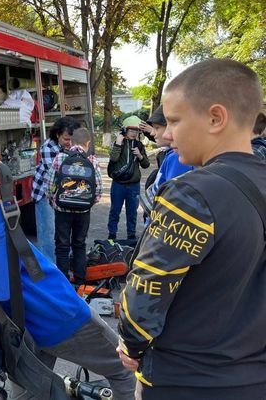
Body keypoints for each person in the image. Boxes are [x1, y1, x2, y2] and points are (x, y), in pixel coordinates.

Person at [0, 117, 136, 400]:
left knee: (34, 390)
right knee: (125, 370)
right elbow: (0, 284)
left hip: (27, 324)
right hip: (59, 313)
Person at [117, 59, 266, 400]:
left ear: (216, 118)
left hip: (187, 380)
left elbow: (146, 292)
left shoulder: (191, 193)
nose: (166, 134)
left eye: (174, 121)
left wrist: (131, 343)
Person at [48, 128, 102, 286]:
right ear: (88, 143)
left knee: (62, 246)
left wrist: (55, 203)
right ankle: (80, 281)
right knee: (79, 244)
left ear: (71, 141)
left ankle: (63, 282)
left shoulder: (60, 157)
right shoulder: (91, 159)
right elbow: (98, 189)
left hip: (62, 211)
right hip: (83, 212)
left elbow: (50, 185)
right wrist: (88, 204)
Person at [31, 116, 80, 262]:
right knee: (48, 232)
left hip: (64, 195)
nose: (69, 143)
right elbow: (62, 173)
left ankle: (65, 265)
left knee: (65, 232)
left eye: (72, 139)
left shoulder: (73, 147)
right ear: (58, 134)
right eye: (66, 139)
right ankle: (49, 269)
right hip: (45, 194)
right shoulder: (48, 147)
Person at [139, 105, 193, 221]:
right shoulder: (172, 154)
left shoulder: (177, 157)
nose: (153, 133)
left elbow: (172, 201)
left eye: (157, 128)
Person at [107, 115, 150, 240]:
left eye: (136, 131)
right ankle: (112, 235)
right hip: (118, 184)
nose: (134, 133)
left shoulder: (139, 145)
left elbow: (146, 165)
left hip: (133, 185)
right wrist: (118, 143)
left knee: (132, 212)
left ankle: (131, 235)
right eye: (131, 130)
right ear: (125, 130)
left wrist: (140, 155)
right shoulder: (118, 143)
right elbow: (114, 159)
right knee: (115, 211)